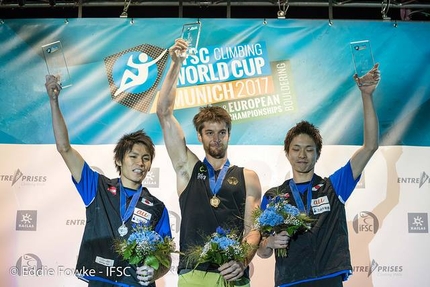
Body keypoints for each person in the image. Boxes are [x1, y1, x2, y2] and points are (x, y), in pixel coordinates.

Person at [257, 64, 381, 287]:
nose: (302, 155)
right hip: (290, 282)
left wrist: (366, 96)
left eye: (309, 149)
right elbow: (262, 252)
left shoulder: (333, 187)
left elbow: (370, 146)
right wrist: (270, 242)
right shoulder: (273, 196)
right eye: (296, 149)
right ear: (287, 153)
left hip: (327, 279)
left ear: (317, 154)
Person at [45, 75, 172, 287]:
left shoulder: (157, 208)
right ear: (119, 160)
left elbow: (166, 257)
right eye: (133, 156)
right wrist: (53, 101)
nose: (140, 163)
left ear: (150, 165)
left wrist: (155, 271)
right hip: (101, 281)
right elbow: (64, 148)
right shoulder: (97, 187)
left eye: (146, 158)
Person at [156, 39, 262, 286]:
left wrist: (242, 261)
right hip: (194, 274)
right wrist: (176, 64)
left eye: (222, 132)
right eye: (210, 133)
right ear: (199, 136)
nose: (216, 139)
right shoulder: (188, 169)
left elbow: (253, 230)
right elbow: (164, 112)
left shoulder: (249, 177)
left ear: (229, 134)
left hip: (233, 275)